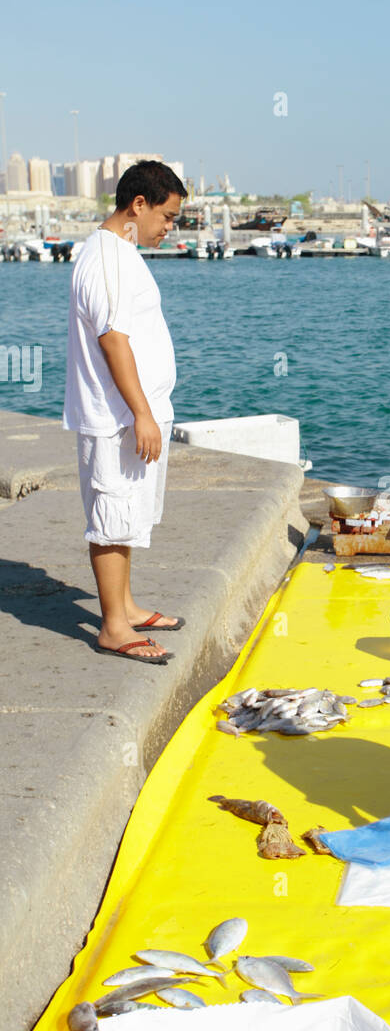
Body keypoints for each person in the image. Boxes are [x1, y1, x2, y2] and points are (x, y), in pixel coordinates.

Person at [63, 160, 187, 664]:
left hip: (130, 414)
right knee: (112, 516)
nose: (170, 227)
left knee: (128, 513)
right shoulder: (109, 259)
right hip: (115, 418)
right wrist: (141, 413)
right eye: (169, 216)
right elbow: (113, 340)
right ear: (139, 205)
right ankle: (113, 627)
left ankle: (126, 606)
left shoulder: (122, 252)